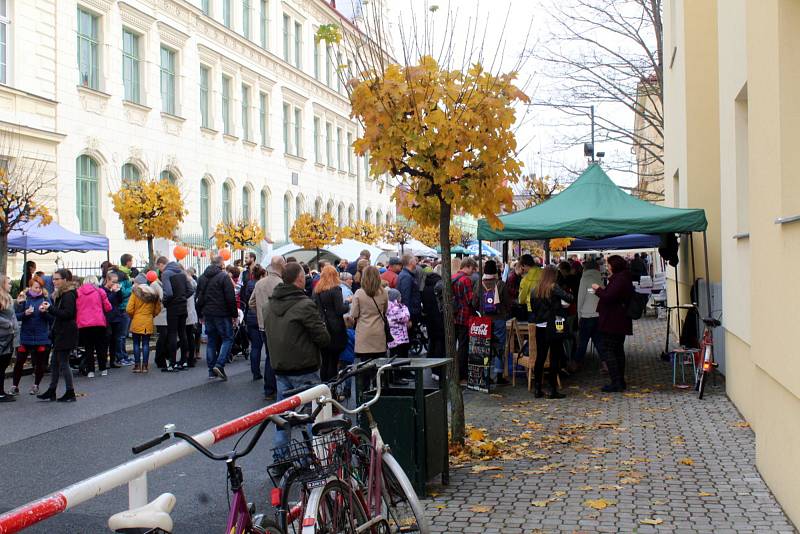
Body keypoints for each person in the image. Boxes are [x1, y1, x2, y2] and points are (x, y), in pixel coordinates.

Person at [263, 262, 330, 463]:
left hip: (280, 366)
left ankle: (281, 457)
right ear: (300, 279)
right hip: (304, 365)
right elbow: (323, 338)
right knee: (310, 415)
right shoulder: (304, 305)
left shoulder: (269, 305)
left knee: (283, 415)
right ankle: (313, 455)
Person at [592, 255, 634, 392]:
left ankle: (616, 381)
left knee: (609, 350)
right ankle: (619, 381)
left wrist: (598, 289)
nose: (607, 267)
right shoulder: (622, 278)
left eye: (608, 264)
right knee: (617, 351)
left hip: (613, 321)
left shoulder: (619, 279)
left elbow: (608, 297)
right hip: (617, 321)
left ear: (614, 265)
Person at [530, 266, 572, 399]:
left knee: (540, 357)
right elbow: (570, 298)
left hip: (540, 325)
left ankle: (537, 388)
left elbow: (532, 307)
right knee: (555, 356)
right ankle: (552, 389)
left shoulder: (535, 289)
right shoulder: (554, 287)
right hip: (555, 324)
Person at [38, 269, 78, 402]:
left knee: (63, 363)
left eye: (57, 279)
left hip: (66, 332)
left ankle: (70, 392)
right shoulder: (61, 294)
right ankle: (51, 390)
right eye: (53, 279)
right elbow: (57, 316)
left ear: (65, 280)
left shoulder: (68, 294)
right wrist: (47, 311)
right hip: (60, 331)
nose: (54, 281)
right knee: (55, 363)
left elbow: (68, 314)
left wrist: (50, 308)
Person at [249, 256, 285, 398]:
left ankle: (269, 389)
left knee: (269, 355)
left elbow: (251, 302)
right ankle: (273, 388)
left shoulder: (259, 283)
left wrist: (260, 312)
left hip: (262, 324)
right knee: (275, 357)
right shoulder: (280, 283)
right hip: (277, 324)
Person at [197, 255, 237, 380]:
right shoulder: (224, 277)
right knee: (227, 338)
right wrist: (234, 315)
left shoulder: (202, 277)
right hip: (222, 313)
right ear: (221, 264)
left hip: (208, 313)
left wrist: (200, 314)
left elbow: (198, 297)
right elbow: (230, 297)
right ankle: (219, 365)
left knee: (211, 341)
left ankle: (211, 370)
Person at [11, 276, 51, 395]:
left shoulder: (46, 299)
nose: (37, 290)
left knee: (40, 363)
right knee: (19, 361)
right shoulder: (24, 298)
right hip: (25, 336)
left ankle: (36, 385)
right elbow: (15, 316)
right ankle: (14, 386)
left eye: (39, 287)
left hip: (41, 336)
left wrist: (45, 313)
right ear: (30, 287)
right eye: (35, 287)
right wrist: (25, 313)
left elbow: (52, 318)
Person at [473, 260, 509, 384]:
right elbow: (507, 303)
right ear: (496, 271)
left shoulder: (479, 283)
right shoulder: (501, 284)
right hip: (499, 319)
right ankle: (499, 374)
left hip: (484, 320)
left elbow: (474, 303)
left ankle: (486, 375)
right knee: (499, 346)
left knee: (485, 347)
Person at [313, 265, 349, 381]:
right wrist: (347, 303)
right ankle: (332, 389)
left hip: (322, 325)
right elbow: (340, 310)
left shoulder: (317, 290)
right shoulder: (335, 289)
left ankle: (323, 386)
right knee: (334, 360)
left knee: (325, 360)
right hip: (335, 328)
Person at [158, 256, 193, 371]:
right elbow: (191, 290)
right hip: (183, 307)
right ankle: (183, 362)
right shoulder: (182, 273)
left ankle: (172, 363)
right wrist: (183, 298)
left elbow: (168, 293)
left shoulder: (166, 274)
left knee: (172, 334)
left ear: (162, 265)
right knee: (183, 334)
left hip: (173, 307)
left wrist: (165, 302)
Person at [76, 275, 112, 378]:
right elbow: (108, 307)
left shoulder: (78, 292)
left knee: (88, 348)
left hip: (83, 323)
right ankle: (103, 368)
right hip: (98, 322)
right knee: (101, 347)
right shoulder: (100, 291)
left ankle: (90, 370)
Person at [127, 273, 162, 373]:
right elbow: (158, 308)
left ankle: (137, 366)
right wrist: (152, 315)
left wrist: (133, 316)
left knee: (136, 343)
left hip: (137, 320)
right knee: (146, 343)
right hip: (148, 320)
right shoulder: (154, 293)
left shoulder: (135, 293)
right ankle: (145, 366)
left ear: (138, 282)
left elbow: (129, 309)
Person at [452, 257, 477, 381]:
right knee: (463, 346)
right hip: (464, 316)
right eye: (473, 269)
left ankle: (453, 372)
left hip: (454, 316)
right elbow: (470, 300)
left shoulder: (453, 277)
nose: (473, 272)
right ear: (467, 266)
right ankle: (462, 374)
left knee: (455, 345)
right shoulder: (465, 280)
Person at [575, 258, 602, 368]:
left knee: (582, 343)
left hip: (586, 315)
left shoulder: (584, 278)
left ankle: (574, 365)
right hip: (598, 315)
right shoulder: (599, 278)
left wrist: (579, 315)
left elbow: (580, 298)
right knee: (599, 342)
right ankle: (606, 365)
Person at [244, 264, 267, 381]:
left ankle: (255, 371)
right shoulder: (263, 285)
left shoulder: (249, 284)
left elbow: (247, 300)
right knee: (266, 346)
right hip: (261, 317)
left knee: (255, 347)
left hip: (251, 317)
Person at [100, 271, 123, 375]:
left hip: (116, 317)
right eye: (113, 282)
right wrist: (113, 292)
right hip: (107, 319)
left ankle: (113, 361)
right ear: (107, 280)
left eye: (116, 282)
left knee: (115, 341)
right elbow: (107, 302)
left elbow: (120, 300)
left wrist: (118, 292)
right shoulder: (102, 290)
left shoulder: (115, 290)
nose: (115, 284)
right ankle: (104, 362)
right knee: (105, 341)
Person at [115, 254, 136, 366]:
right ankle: (121, 357)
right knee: (122, 335)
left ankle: (124, 356)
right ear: (127, 262)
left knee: (123, 334)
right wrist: (132, 288)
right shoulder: (122, 275)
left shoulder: (124, 274)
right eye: (131, 261)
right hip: (123, 307)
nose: (132, 263)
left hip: (125, 307)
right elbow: (121, 292)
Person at [0, 276, 18, 402]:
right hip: (2, 339)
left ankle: (1, 391)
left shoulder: (7, 298)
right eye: (8, 283)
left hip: (8, 338)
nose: (11, 285)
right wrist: (8, 324)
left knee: (3, 365)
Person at [421, 269, 445, 358]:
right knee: (440, 340)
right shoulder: (439, 287)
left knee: (432, 339)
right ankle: (438, 360)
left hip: (429, 318)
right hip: (439, 317)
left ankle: (430, 357)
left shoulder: (425, 288)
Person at [397, 254, 422, 327]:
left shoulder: (406, 275)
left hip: (411, 311)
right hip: (411, 313)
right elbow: (405, 297)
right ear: (411, 262)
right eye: (415, 260)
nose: (416, 262)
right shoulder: (406, 276)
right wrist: (408, 318)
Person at [386, 288, 411, 358]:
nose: (401, 298)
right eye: (400, 297)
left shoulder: (388, 307)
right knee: (401, 357)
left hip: (394, 339)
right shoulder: (395, 308)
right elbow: (405, 318)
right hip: (399, 339)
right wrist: (405, 308)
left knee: (394, 357)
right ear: (396, 298)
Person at [184, 269, 199, 367]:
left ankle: (188, 356)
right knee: (190, 335)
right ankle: (192, 356)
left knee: (187, 335)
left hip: (187, 312)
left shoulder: (187, 284)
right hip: (192, 312)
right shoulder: (193, 283)